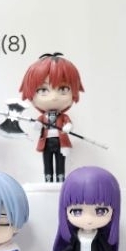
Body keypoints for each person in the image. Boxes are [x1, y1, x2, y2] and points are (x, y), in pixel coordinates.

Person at [18, 52, 84, 182]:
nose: (53, 97)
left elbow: (68, 124)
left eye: (63, 89)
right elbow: (37, 126)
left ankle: (60, 180)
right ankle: (48, 180)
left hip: (60, 142)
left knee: (60, 161)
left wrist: (68, 127)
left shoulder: (63, 117)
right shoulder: (43, 117)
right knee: (47, 161)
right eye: (43, 90)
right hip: (47, 143)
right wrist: (37, 125)